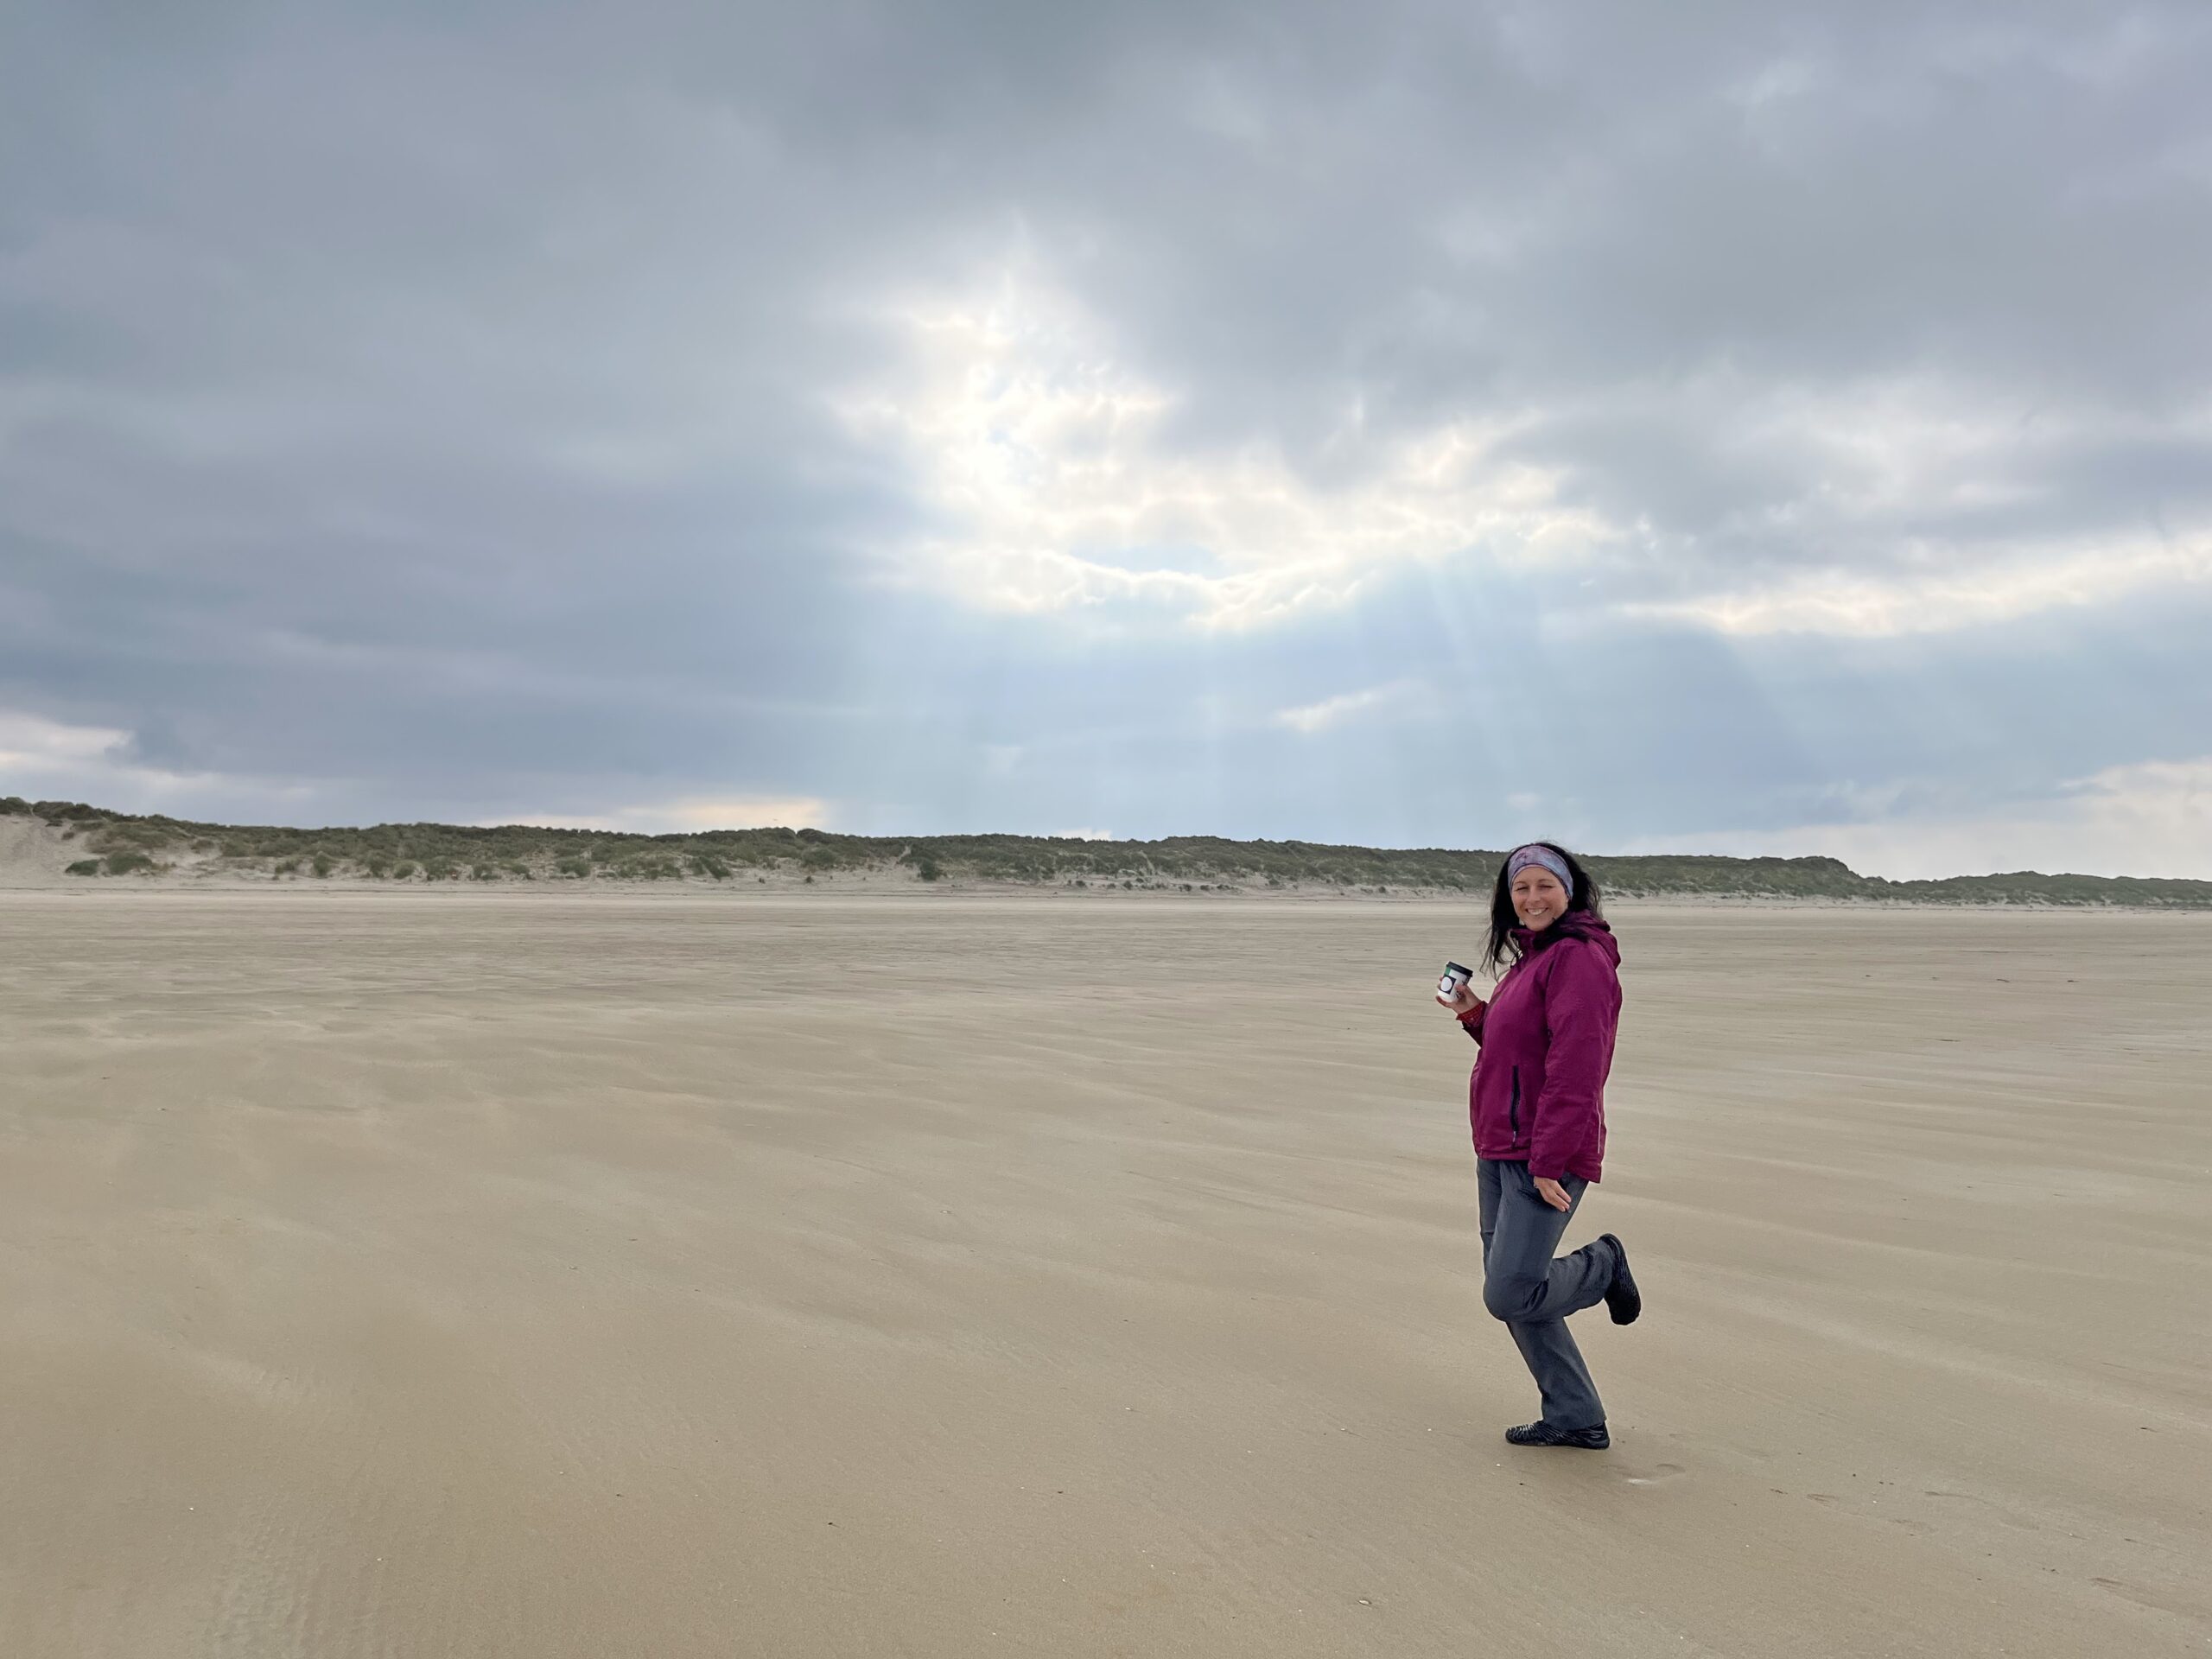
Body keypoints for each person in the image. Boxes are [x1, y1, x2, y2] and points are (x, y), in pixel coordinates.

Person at [1436, 841, 1640, 1449]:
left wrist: (1552, 1158)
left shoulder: (1579, 959)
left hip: (1541, 1154)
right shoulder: (1532, 958)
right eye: (1520, 888)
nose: (1531, 898)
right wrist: (1477, 1015)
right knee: (1517, 1289)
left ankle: (1603, 1264)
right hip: (1499, 1147)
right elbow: (1520, 1054)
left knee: (1510, 1291)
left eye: (1543, 885)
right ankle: (1575, 1414)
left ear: (1569, 889)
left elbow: (1579, 1067)